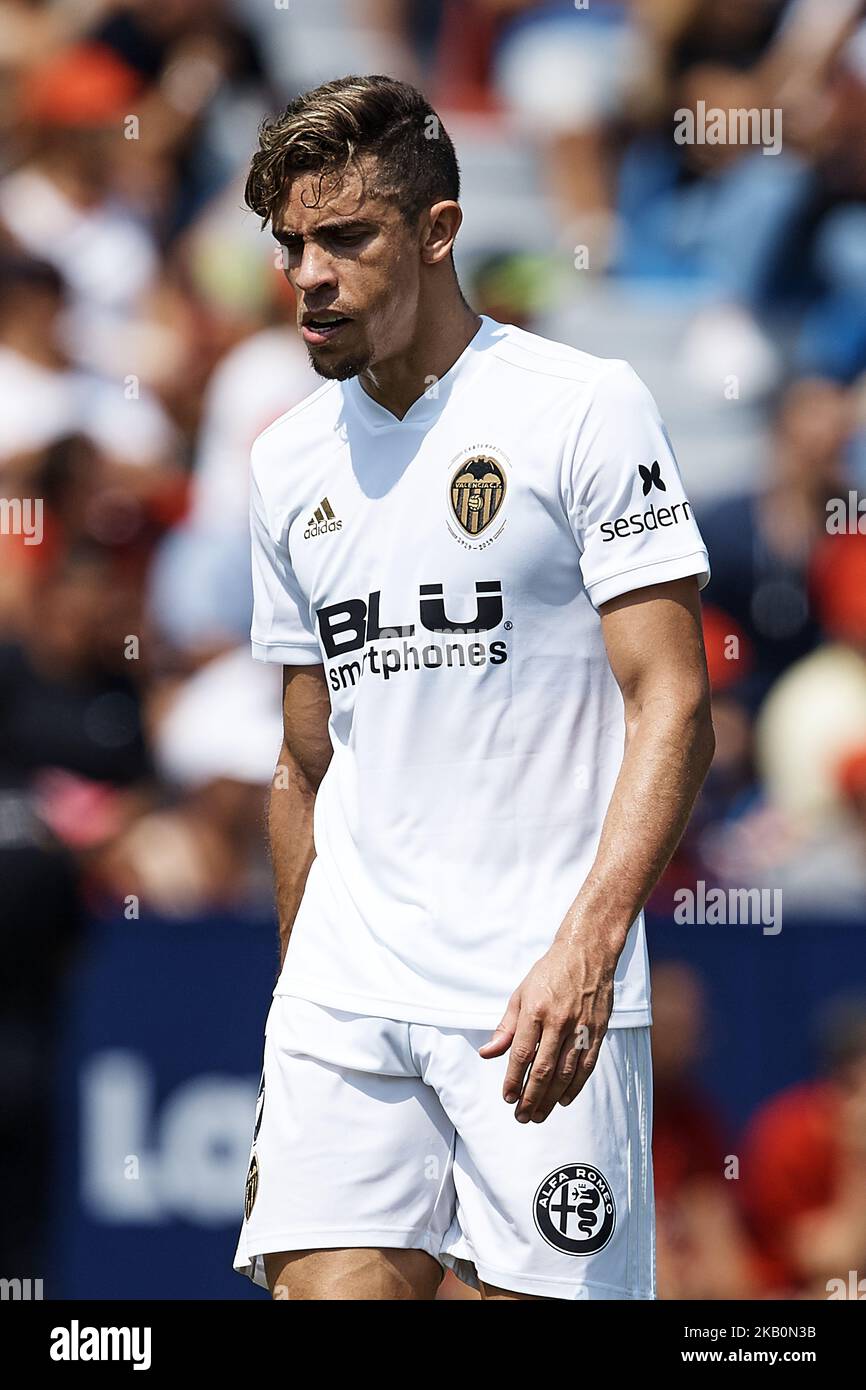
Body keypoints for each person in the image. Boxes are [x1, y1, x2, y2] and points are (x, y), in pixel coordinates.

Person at [232, 74, 714, 1301]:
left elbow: (674, 702)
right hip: (346, 1000)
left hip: (536, 995)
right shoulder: (285, 463)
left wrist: (589, 946)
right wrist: (294, 1023)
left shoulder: (581, 407)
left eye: (347, 237)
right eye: (290, 245)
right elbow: (304, 761)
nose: (310, 274)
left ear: (437, 233)